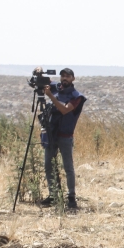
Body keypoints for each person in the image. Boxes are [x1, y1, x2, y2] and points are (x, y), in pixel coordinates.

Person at [37, 67, 86, 210]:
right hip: (52, 133)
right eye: (63, 76)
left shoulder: (77, 96)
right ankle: (53, 194)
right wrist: (39, 72)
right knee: (48, 164)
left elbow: (65, 110)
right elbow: (44, 82)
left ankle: (71, 196)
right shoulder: (55, 88)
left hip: (65, 135)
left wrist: (50, 96)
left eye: (68, 76)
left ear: (73, 78)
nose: (65, 78)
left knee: (68, 167)